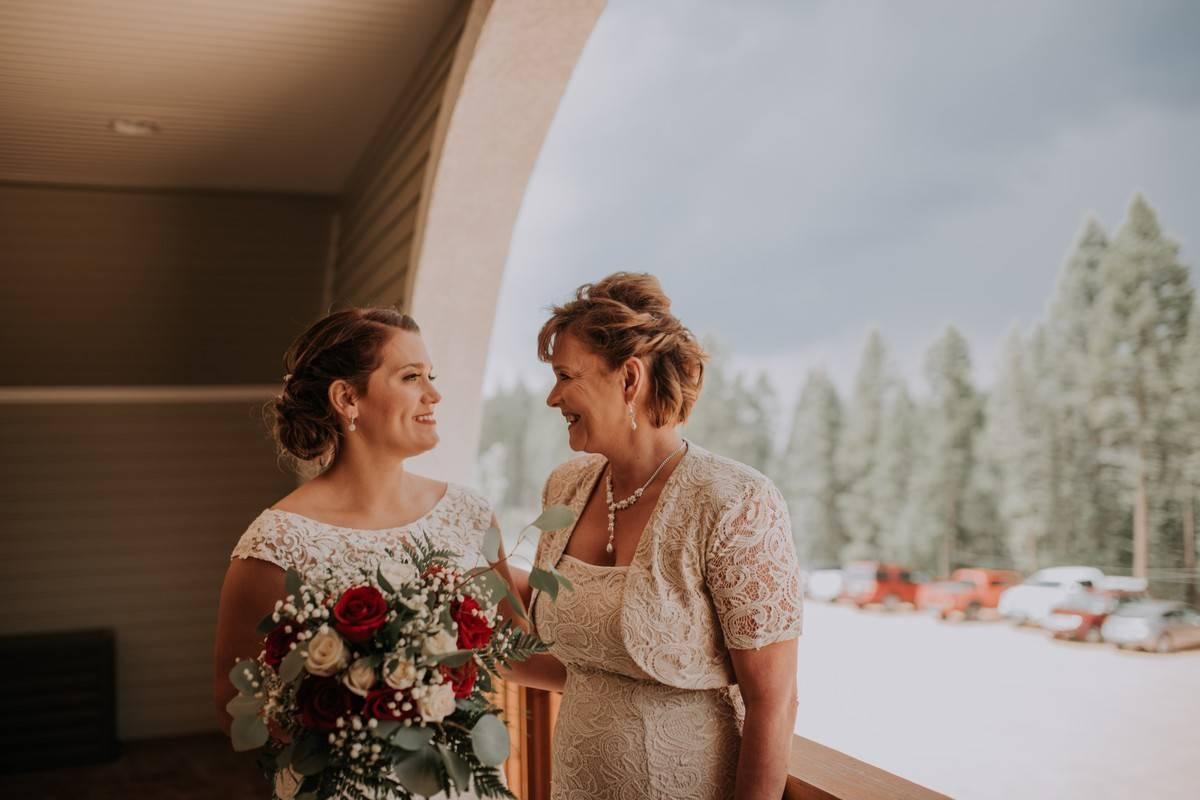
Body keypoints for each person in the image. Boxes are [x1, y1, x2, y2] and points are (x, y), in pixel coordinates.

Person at [509, 272, 804, 799]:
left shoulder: (734, 501)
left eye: (565, 375)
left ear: (628, 379)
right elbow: (575, 651)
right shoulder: (564, 488)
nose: (554, 397)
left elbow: (774, 702)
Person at [212, 308, 515, 799]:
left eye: (430, 376)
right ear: (347, 397)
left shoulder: (469, 514)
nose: (434, 395)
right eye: (411, 377)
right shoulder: (275, 544)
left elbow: (513, 645)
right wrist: (352, 722)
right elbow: (232, 703)